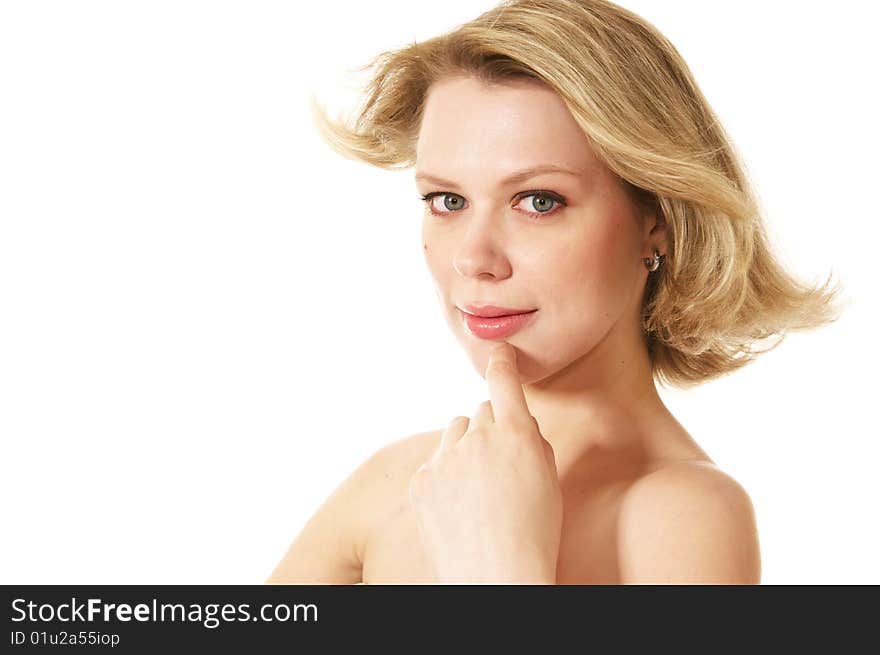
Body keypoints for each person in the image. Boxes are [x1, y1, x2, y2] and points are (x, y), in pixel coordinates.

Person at [267, 0, 845, 584]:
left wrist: (497, 566)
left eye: (539, 201)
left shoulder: (683, 516)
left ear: (657, 218)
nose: (474, 259)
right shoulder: (394, 486)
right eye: (447, 201)